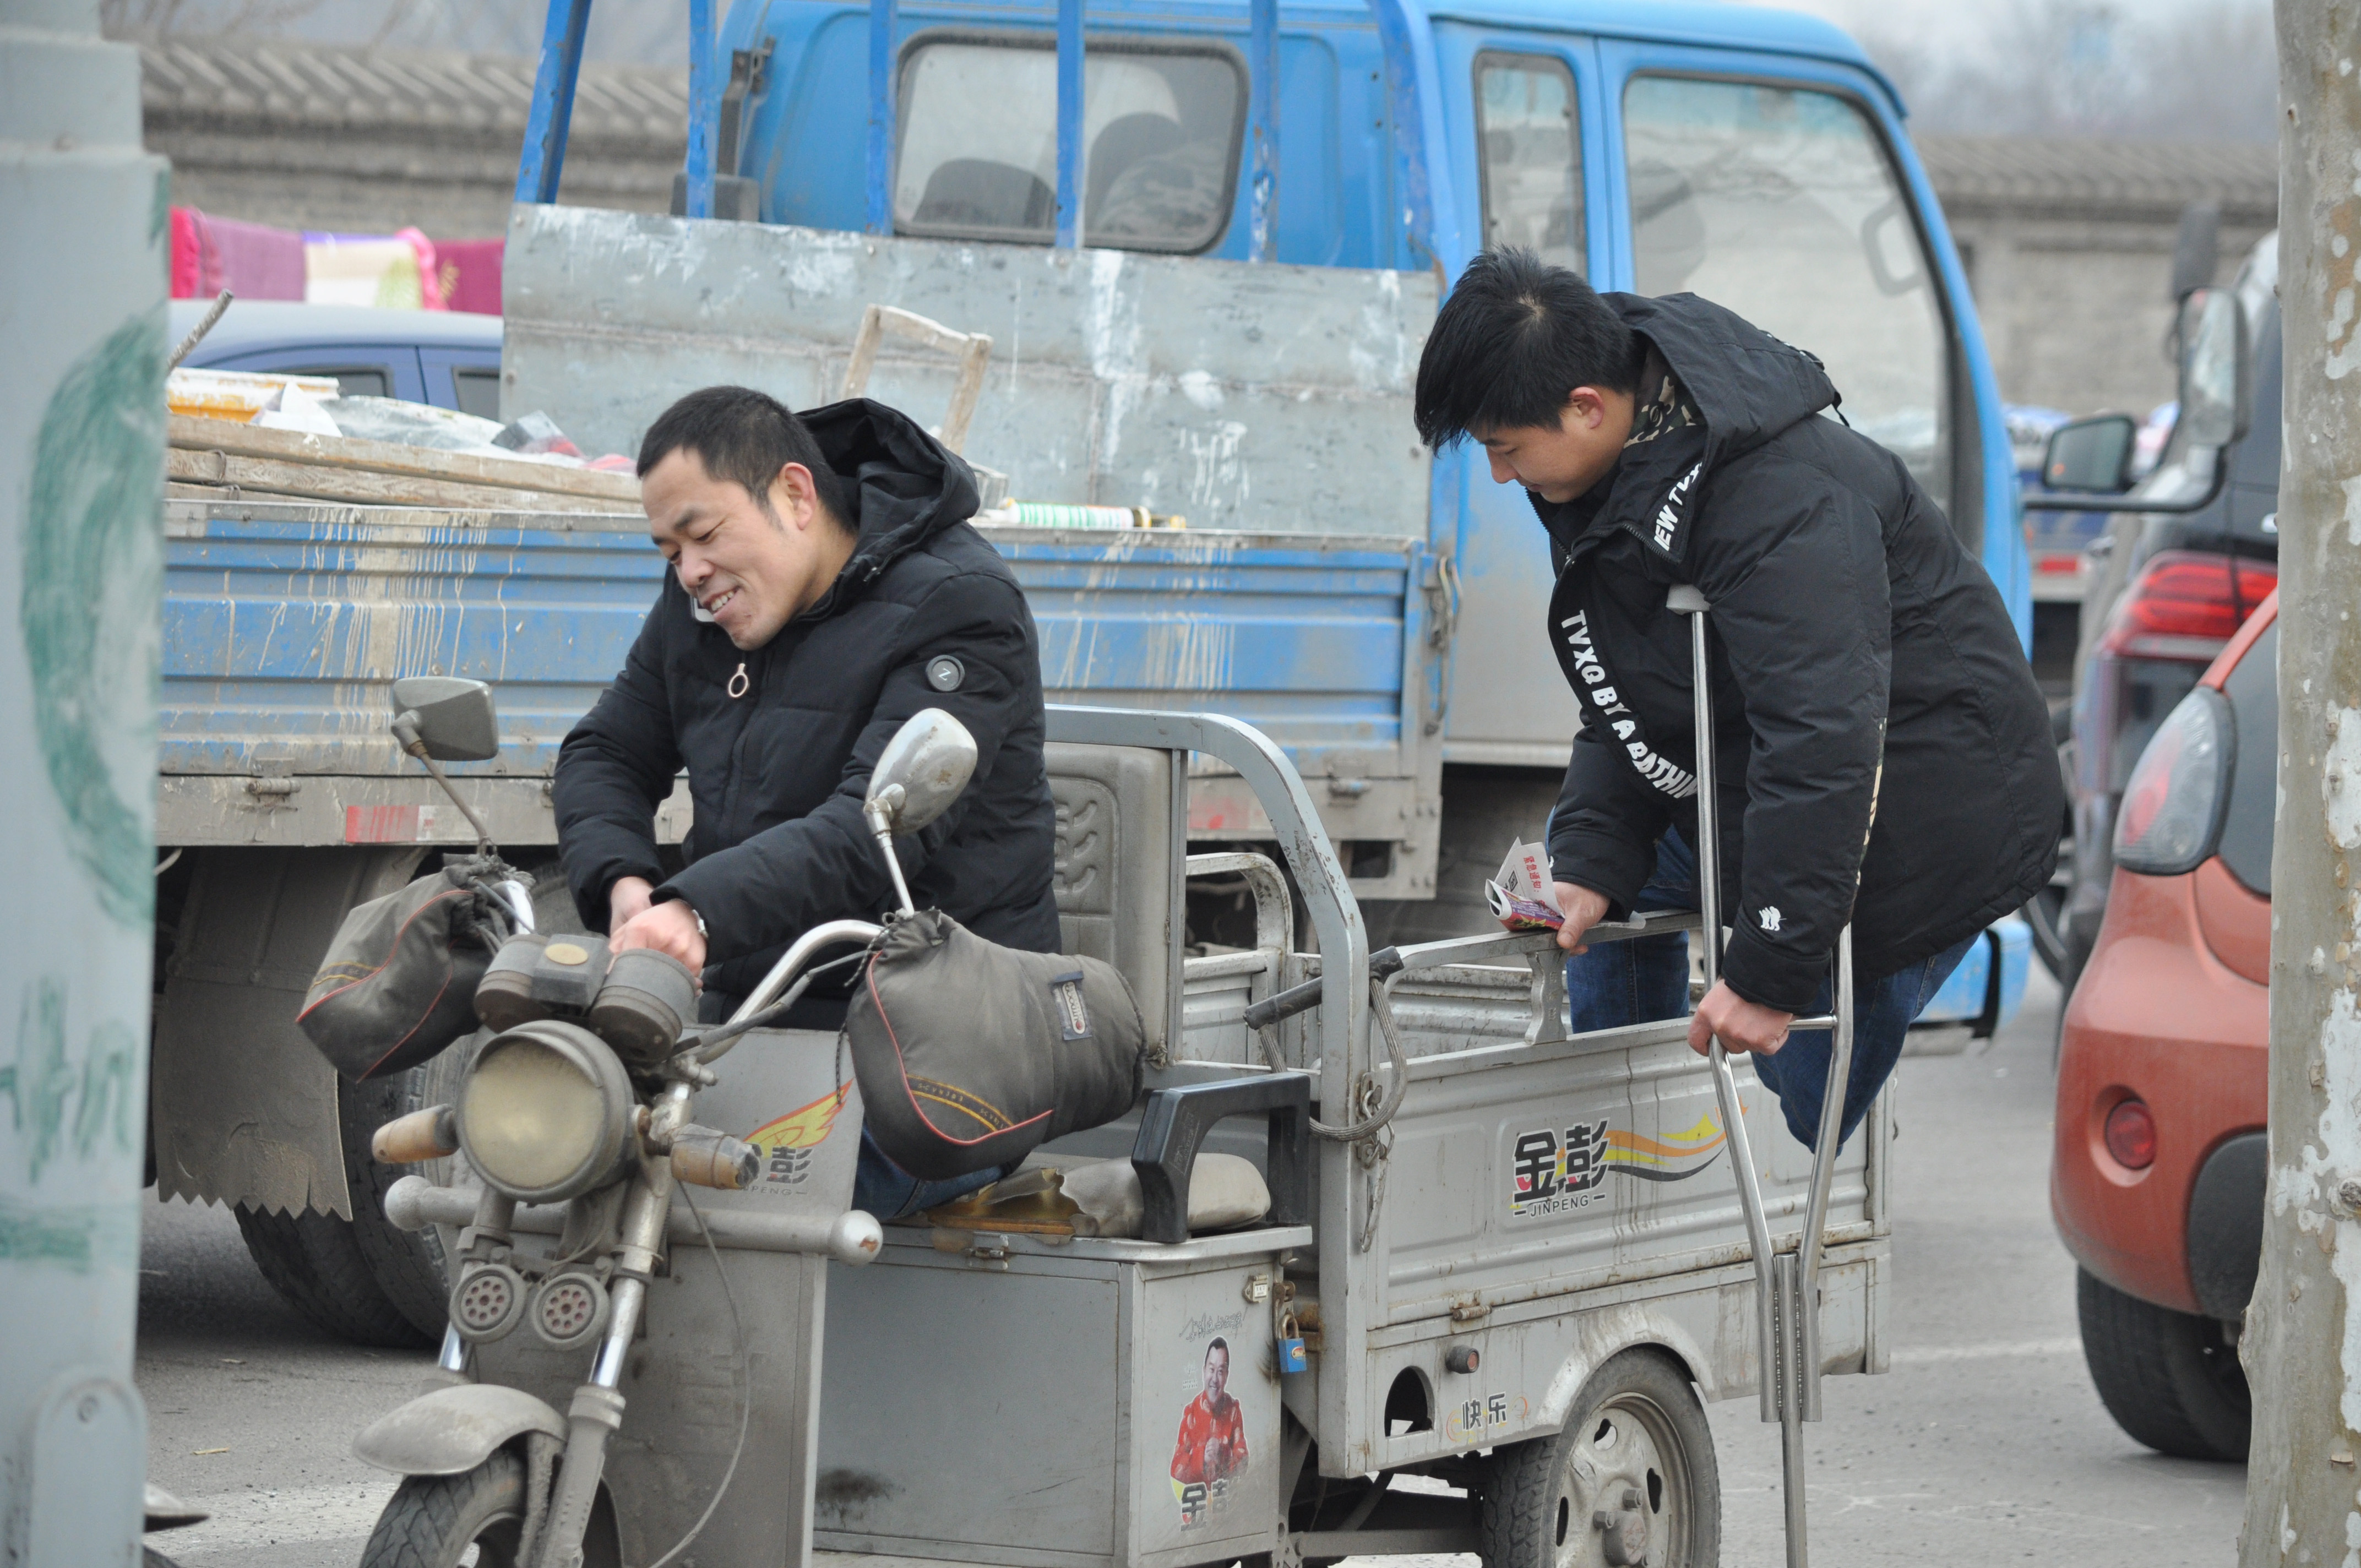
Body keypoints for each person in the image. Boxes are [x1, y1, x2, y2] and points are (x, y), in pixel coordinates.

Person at [1413, 249, 2061, 1150]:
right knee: (1597, 914)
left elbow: (1822, 736)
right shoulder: (1602, 469)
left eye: (1504, 448)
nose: (1497, 475)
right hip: (1768, 775)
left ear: (1586, 408)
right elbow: (1626, 687)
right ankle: (1634, 1157)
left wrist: (1771, 965)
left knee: (1794, 1109)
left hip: (1915, 798)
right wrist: (1593, 856)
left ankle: (1791, 1220)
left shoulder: (1782, 498)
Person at [552, 385, 1061, 1213]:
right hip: (746, 1031)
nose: (690, 573)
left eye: (705, 536)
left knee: (723, 1213)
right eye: (669, 551)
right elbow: (605, 750)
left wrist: (694, 912)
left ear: (794, 494)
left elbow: (873, 827)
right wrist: (623, 882)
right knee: (560, 1159)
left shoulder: (961, 606)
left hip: (937, 1059)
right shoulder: (702, 607)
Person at [1171, 1338, 1247, 1486]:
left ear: (1226, 1376)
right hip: (1197, 1505)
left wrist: (1223, 1454)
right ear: (1204, 1370)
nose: (1215, 1379)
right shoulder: (1191, 1412)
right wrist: (1201, 1456)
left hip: (1227, 1503)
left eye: (1220, 1372)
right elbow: (1176, 1468)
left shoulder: (1234, 1411)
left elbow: (1244, 1464)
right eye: (1212, 1370)